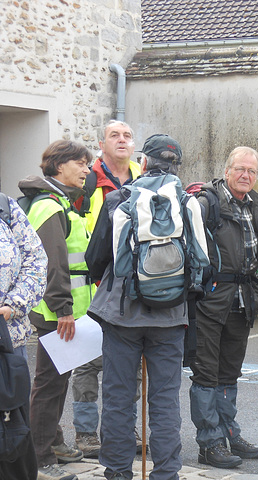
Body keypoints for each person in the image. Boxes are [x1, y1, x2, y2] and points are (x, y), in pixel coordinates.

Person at [85, 134, 206, 480]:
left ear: (145, 162)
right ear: (176, 166)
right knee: (165, 401)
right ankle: (167, 473)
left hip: (121, 315)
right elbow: (204, 262)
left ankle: (118, 473)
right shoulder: (187, 202)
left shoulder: (121, 200)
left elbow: (96, 258)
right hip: (169, 318)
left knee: (119, 398)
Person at [18, 140, 95, 480]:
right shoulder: (50, 206)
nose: (87, 170)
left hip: (65, 312)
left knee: (56, 381)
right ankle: (39, 457)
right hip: (57, 314)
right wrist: (63, 308)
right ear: (60, 165)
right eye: (81, 163)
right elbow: (51, 263)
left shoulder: (61, 202)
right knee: (49, 385)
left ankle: (52, 441)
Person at [189, 146, 258, 469]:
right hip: (211, 300)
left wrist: (256, 286)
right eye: (240, 169)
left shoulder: (254, 205)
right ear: (227, 170)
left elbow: (257, 256)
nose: (246, 175)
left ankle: (228, 433)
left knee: (230, 372)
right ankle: (209, 443)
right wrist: (204, 291)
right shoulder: (207, 203)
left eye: (251, 171)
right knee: (206, 373)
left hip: (242, 300)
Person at [71, 120, 143, 458]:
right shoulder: (86, 181)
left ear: (133, 144)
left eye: (127, 136)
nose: (122, 140)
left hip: (133, 286)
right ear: (102, 143)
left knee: (134, 360)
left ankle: (123, 427)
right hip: (94, 284)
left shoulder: (144, 178)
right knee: (87, 360)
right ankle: (86, 434)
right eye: (114, 135)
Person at [0, 193, 47, 480]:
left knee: (11, 429)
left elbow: (36, 260)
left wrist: (12, 306)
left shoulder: (6, 208)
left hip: (8, 340)